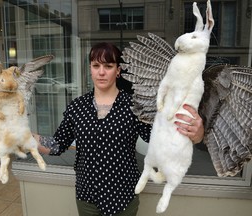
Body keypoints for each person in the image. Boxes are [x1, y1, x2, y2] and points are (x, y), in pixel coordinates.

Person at [35, 42, 204, 216]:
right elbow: (56, 144)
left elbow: (162, 141)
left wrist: (196, 135)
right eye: (96, 65)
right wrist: (23, 137)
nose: (101, 72)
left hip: (123, 198)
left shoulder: (134, 106)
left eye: (108, 66)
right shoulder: (78, 107)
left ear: (118, 70)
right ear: (90, 69)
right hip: (87, 197)